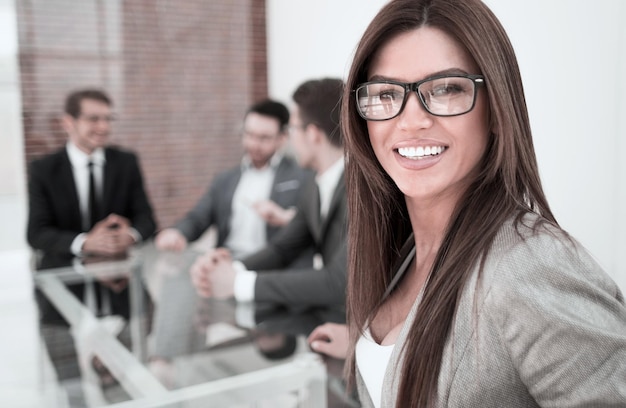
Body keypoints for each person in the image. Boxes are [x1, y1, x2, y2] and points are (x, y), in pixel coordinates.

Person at [308, 0, 626, 407]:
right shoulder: (405, 249)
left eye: (445, 89)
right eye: (386, 94)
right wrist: (368, 345)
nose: (410, 121)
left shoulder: (531, 265)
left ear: (496, 108)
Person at [190, 77, 347, 306]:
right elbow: (283, 248)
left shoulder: (363, 191)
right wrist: (229, 269)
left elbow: (337, 282)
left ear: (313, 134)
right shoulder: (315, 185)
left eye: (292, 129)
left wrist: (237, 283)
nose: (290, 138)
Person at [155, 99, 313, 260]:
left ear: (283, 137)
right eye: (249, 134)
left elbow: (310, 225)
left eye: (264, 138)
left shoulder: (301, 176)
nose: (254, 144)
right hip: (228, 264)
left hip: (275, 270)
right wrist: (178, 232)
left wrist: (284, 217)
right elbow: (199, 217)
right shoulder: (225, 179)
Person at [27, 88, 156, 259]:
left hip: (119, 269)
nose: (104, 127)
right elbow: (37, 234)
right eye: (93, 119)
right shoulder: (43, 169)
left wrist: (130, 235)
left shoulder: (126, 163)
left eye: (108, 119)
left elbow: (147, 220)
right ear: (68, 123)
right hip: (64, 272)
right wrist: (86, 242)